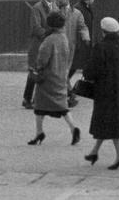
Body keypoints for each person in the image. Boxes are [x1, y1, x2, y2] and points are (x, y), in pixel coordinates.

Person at [83, 15, 119, 170]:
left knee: (110, 123)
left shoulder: (100, 47)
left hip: (104, 91)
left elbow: (91, 71)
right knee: (108, 122)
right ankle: (94, 152)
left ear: (103, 31)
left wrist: (87, 73)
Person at [28, 10, 80, 145]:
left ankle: (39, 133)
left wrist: (37, 68)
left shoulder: (49, 40)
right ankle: (73, 128)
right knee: (62, 107)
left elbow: (42, 60)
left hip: (47, 78)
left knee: (39, 107)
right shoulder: (64, 38)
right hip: (61, 76)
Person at [22, 0, 57, 107]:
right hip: (38, 44)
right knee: (35, 71)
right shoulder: (37, 8)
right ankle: (28, 99)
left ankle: (36, 99)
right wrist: (48, 35)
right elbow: (35, 27)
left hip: (49, 44)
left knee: (44, 71)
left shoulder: (56, 8)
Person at [56, 0, 90, 106]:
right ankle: (70, 95)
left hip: (70, 48)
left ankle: (69, 95)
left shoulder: (76, 13)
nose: (59, 0)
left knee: (62, 73)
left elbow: (82, 26)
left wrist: (86, 37)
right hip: (57, 48)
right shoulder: (54, 12)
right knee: (62, 72)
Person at [72, 0, 96, 82]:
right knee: (74, 65)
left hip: (86, 41)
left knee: (86, 64)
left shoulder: (87, 7)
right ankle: (64, 85)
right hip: (80, 42)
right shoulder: (78, 8)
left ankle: (87, 84)